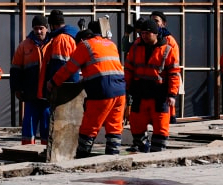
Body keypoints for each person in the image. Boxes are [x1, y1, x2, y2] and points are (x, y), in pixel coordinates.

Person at [48, 22, 126, 157]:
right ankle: (113, 157)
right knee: (114, 128)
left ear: (82, 40)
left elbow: (69, 68)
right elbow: (104, 66)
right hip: (120, 92)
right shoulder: (110, 44)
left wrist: (53, 81)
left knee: (89, 127)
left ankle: (83, 157)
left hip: (102, 92)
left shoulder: (85, 46)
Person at [123, 18, 182, 152]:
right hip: (139, 92)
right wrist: (126, 89)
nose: (144, 36)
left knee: (161, 124)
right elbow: (128, 69)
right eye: (142, 33)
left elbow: (174, 74)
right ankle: (141, 145)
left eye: (147, 33)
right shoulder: (136, 48)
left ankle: (158, 151)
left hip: (159, 94)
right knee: (136, 122)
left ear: (155, 33)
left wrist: (172, 94)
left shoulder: (167, 50)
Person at [10, 15, 52, 145]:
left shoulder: (54, 43)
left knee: (47, 126)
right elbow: (15, 69)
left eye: (41, 28)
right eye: (35, 29)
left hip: (48, 96)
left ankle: (47, 153)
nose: (38, 31)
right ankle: (27, 152)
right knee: (29, 125)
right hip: (31, 95)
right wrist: (17, 88)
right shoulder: (24, 46)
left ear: (46, 28)